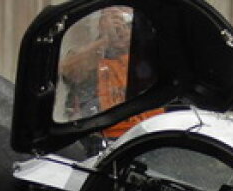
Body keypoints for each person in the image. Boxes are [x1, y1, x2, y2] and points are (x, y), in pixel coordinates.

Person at [59, 6, 159, 140]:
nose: (121, 28)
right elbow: (68, 71)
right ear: (101, 25)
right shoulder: (94, 56)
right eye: (115, 23)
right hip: (103, 139)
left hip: (151, 135)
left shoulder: (152, 55)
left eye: (128, 23)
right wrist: (105, 40)